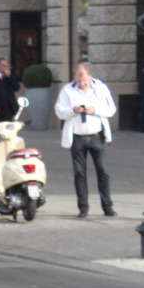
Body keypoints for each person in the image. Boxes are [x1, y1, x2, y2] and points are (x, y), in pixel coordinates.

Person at [54, 61, 118, 218]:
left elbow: (111, 109)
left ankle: (107, 206)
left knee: (103, 171)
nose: (82, 84)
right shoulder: (68, 90)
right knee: (79, 173)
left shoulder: (100, 88)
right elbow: (59, 111)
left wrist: (94, 110)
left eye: (84, 81)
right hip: (77, 137)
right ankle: (83, 208)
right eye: (79, 81)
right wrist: (72, 110)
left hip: (96, 135)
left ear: (90, 76)